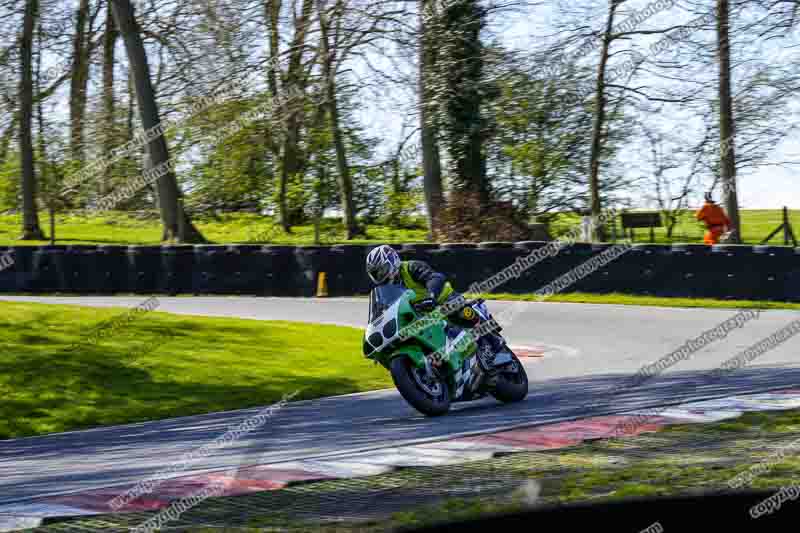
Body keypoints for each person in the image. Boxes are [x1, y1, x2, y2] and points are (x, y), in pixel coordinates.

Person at [365, 245, 505, 359]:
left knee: (462, 312)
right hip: (424, 316)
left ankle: (493, 341)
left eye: (381, 270)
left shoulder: (411, 267)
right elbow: (385, 310)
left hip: (443, 300)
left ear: (392, 260)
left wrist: (431, 296)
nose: (380, 276)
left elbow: (435, 277)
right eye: (375, 274)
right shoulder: (386, 291)